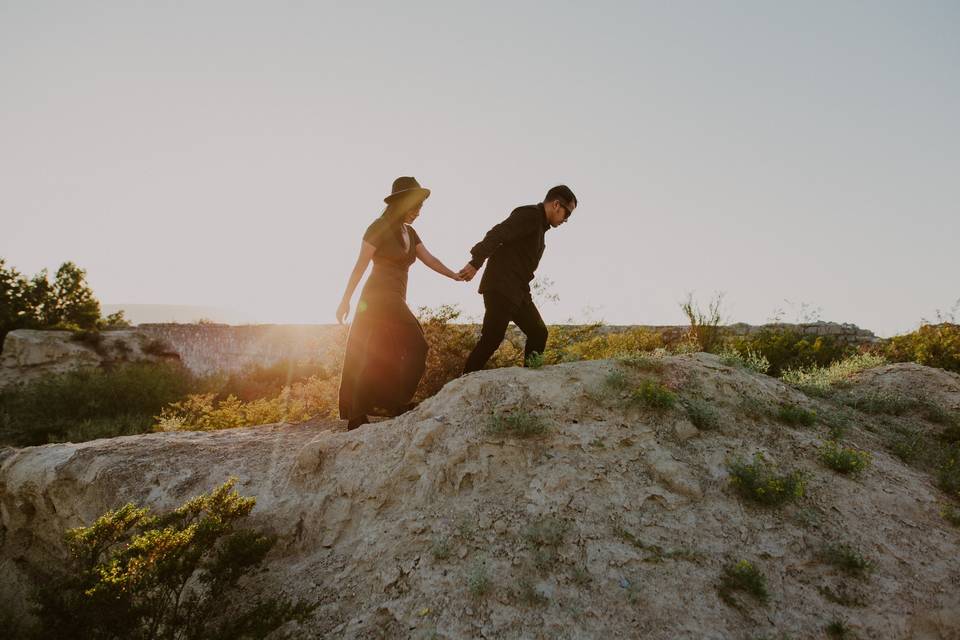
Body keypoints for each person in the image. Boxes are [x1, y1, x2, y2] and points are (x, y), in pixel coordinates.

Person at [337, 177, 462, 430]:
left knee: (379, 354)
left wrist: (454, 274)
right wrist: (345, 299)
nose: (418, 213)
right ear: (402, 203)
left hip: (395, 297)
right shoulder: (378, 227)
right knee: (418, 345)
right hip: (378, 297)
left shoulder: (411, 232)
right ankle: (391, 402)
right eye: (415, 207)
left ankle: (370, 410)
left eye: (421, 208)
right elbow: (360, 266)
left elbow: (430, 259)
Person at [458, 185, 578, 373]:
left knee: (538, 333)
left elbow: (523, 267)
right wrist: (475, 262)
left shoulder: (540, 228)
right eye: (567, 213)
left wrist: (525, 294)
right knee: (492, 339)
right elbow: (497, 233)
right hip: (500, 286)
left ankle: (530, 380)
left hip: (518, 292)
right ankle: (463, 384)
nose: (566, 220)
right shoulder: (530, 215)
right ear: (556, 205)